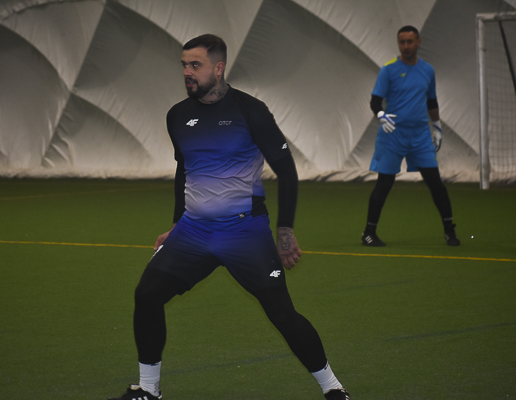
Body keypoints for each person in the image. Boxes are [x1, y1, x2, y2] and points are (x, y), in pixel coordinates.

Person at [108, 34, 350, 400]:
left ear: (218, 68)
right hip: (193, 231)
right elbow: (184, 171)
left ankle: (333, 389)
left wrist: (285, 231)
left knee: (281, 313)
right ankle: (149, 390)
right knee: (147, 295)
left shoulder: (251, 111)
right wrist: (176, 225)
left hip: (244, 232)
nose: (187, 72)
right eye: (184, 65)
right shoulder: (177, 115)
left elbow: (286, 170)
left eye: (196, 65)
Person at [361, 25, 460, 247]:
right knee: (384, 183)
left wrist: (437, 126)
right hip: (392, 135)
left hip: (420, 136)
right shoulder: (388, 70)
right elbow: (375, 101)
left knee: (435, 183)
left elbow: (431, 101)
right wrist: (381, 115)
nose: (406, 46)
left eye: (410, 42)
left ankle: (449, 231)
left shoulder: (428, 70)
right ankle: (368, 233)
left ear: (418, 43)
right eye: (402, 42)